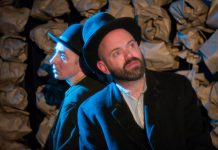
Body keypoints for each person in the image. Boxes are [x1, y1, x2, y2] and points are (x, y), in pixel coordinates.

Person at [77, 12, 213, 150]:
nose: (129, 55)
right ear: (103, 67)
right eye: (116, 53)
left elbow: (200, 145)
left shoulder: (178, 87)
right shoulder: (91, 111)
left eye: (131, 45)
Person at [43, 23, 106, 150]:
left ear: (82, 62)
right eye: (55, 52)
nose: (52, 60)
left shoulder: (77, 98)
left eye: (62, 55)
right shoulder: (97, 88)